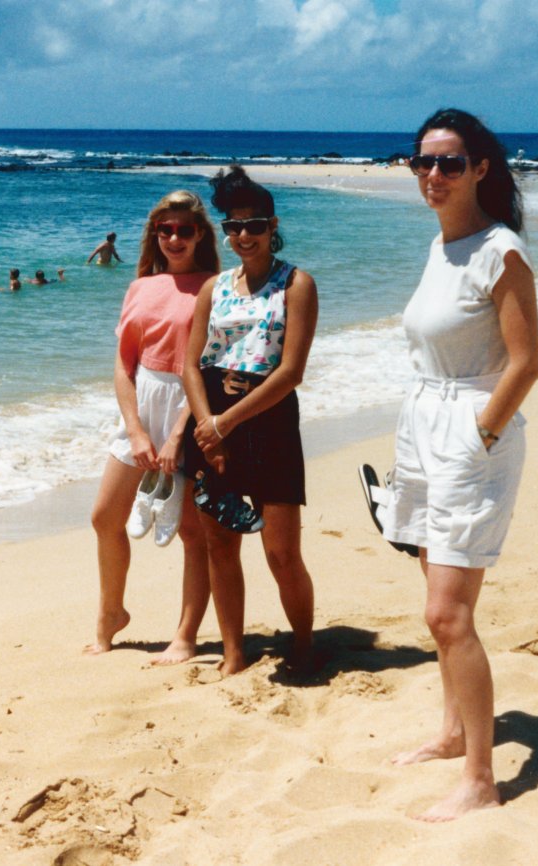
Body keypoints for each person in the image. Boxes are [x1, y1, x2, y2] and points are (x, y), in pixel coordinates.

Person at [377, 108, 538, 822]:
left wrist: (480, 438)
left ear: (481, 168)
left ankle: (480, 776)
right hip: (423, 424)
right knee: (444, 600)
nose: (434, 175)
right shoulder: (442, 245)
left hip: (472, 432)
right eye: (424, 162)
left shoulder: (499, 250)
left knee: (447, 613)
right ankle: (451, 733)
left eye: (449, 162)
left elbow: (527, 363)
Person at [181, 166, 318, 678]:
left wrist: (226, 424)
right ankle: (234, 651)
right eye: (232, 226)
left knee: (281, 552)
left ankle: (303, 644)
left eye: (253, 225)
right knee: (220, 544)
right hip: (212, 415)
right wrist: (207, 425)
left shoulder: (297, 284)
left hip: (269, 418)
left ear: (272, 224)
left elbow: (290, 372)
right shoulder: (213, 288)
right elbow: (190, 364)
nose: (242, 236)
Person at [86, 191, 220, 662]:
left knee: (192, 533)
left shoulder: (218, 286)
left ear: (201, 233)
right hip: (143, 403)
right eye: (165, 230)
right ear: (154, 234)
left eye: (185, 229)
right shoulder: (141, 285)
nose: (174, 238)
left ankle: (185, 635)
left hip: (194, 407)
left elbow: (211, 367)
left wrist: (181, 433)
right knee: (105, 516)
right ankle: (111, 615)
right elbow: (124, 366)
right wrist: (137, 430)